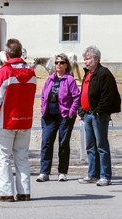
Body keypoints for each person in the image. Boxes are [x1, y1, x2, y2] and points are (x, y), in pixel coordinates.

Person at [0, 38, 36, 202]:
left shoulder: (4, 72)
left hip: (6, 121)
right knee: (22, 157)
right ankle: (24, 192)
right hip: (25, 120)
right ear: (21, 53)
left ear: (6, 54)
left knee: (3, 158)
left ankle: (6, 193)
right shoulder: (32, 72)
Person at [78, 45, 121, 186]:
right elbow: (83, 93)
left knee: (101, 146)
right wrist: (82, 110)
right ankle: (92, 174)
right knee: (90, 147)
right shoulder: (87, 74)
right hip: (88, 115)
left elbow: (107, 96)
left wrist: (98, 111)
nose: (85, 61)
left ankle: (105, 176)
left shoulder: (104, 73)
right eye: (84, 59)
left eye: (88, 59)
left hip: (98, 115)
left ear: (96, 59)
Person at [36, 53, 80, 182]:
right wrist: (43, 108)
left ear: (66, 65)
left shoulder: (69, 79)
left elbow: (76, 97)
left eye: (61, 62)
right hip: (49, 116)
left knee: (63, 144)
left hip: (64, 116)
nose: (58, 65)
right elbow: (44, 95)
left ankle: (62, 172)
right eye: (56, 62)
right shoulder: (50, 79)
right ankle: (44, 172)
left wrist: (71, 112)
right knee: (46, 143)